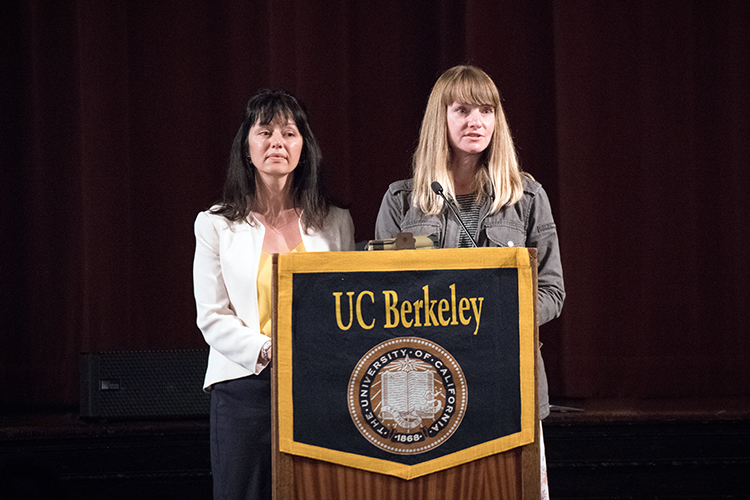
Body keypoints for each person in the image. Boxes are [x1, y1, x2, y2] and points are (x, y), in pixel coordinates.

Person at [374, 65, 564, 498]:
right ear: (439, 119)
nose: (475, 121)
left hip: (505, 379)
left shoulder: (527, 198)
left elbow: (552, 292)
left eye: (486, 110)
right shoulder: (402, 200)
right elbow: (381, 296)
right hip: (425, 387)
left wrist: (496, 312)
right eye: (461, 110)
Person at [193, 89, 355, 500]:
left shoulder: (336, 223)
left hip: (320, 386)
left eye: (289, 133)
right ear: (247, 147)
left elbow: (349, 307)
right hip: (246, 386)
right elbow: (212, 316)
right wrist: (271, 351)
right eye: (264, 132)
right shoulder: (214, 225)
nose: (277, 143)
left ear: (304, 146)